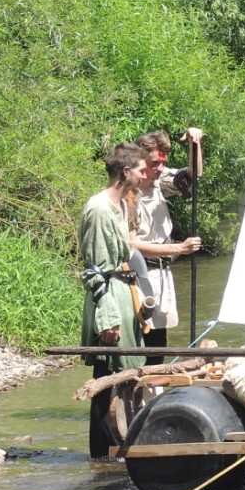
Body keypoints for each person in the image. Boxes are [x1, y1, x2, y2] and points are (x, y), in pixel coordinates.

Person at [80, 142, 149, 457]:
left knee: (125, 378)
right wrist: (107, 317)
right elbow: (96, 269)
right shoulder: (98, 208)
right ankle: (100, 457)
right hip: (108, 297)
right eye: (140, 169)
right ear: (126, 172)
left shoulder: (121, 205)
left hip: (122, 293)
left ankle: (122, 448)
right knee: (106, 378)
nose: (144, 174)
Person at [130, 129, 203, 362]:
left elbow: (193, 175)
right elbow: (133, 245)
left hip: (162, 273)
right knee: (140, 338)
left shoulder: (159, 182)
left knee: (158, 344)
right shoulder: (127, 193)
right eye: (154, 163)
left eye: (163, 163)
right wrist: (179, 248)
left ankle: (153, 391)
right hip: (137, 273)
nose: (160, 168)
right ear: (138, 161)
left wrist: (195, 146)